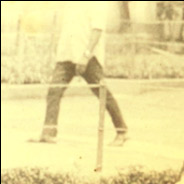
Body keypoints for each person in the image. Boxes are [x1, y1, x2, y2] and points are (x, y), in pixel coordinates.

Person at [37, 0, 127, 145]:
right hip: (67, 56)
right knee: (54, 90)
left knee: (103, 94)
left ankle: (122, 131)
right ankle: (49, 131)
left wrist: (86, 55)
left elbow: (97, 30)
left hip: (88, 57)